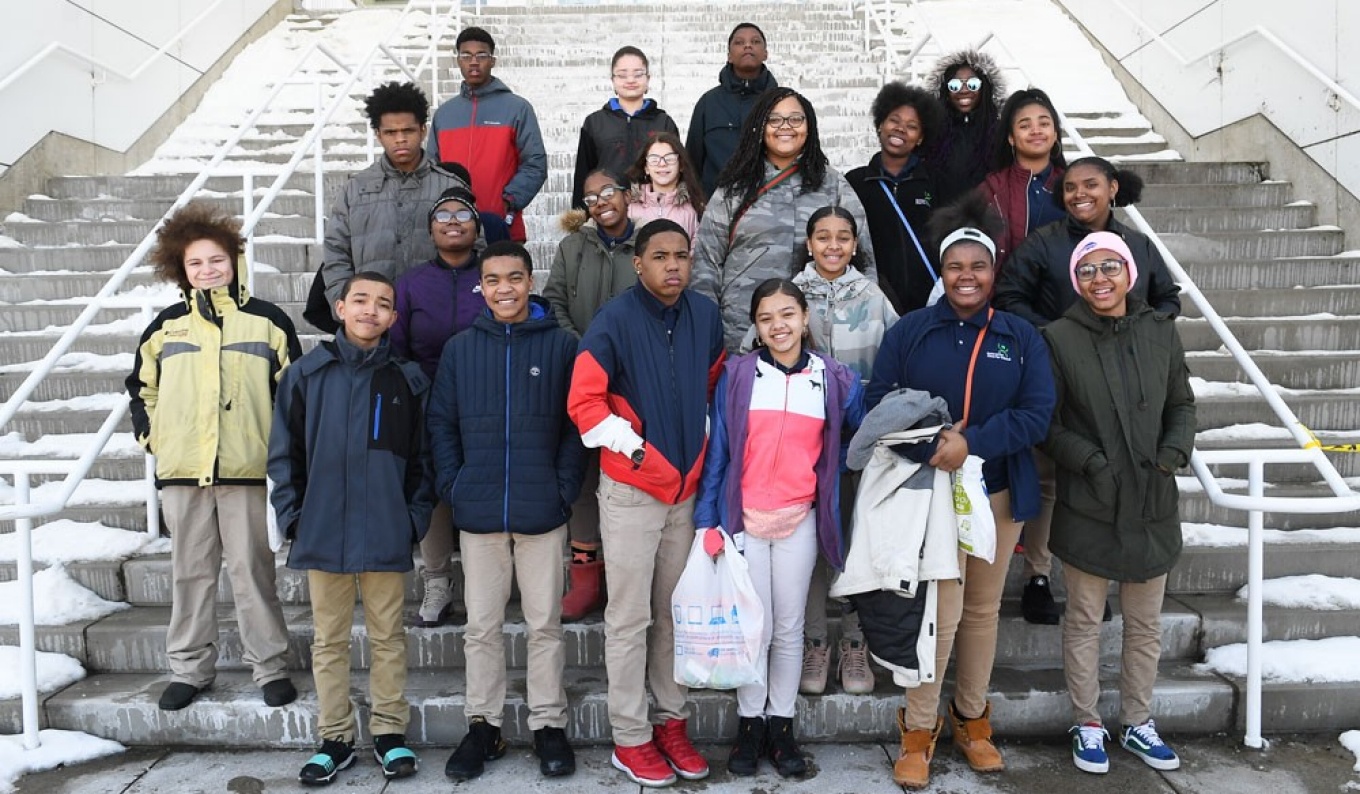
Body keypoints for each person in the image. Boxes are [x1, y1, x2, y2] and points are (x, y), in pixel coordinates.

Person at [865, 195, 1056, 790]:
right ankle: (918, 729)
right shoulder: (911, 331)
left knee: (980, 613)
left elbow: (1038, 413)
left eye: (979, 266)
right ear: (941, 271)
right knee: (939, 618)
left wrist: (971, 443)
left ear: (994, 270)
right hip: (928, 494)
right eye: (955, 266)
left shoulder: (1019, 335)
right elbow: (879, 404)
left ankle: (972, 720)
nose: (967, 276)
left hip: (996, 494)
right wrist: (930, 449)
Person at [566, 219, 725, 788]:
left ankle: (670, 721)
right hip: (634, 491)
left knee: (674, 615)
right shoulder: (614, 319)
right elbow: (584, 403)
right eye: (660, 256)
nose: (673, 266)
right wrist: (636, 450)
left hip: (686, 491)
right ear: (639, 263)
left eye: (681, 255)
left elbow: (712, 383)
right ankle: (630, 736)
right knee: (630, 617)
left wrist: (701, 450)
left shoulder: (705, 316)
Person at [993, 156, 1182, 624]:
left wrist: (1141, 336)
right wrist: (1057, 334)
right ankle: (1039, 574)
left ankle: (1108, 568)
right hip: (1059, 373)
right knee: (1053, 477)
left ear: (1112, 187)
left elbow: (1167, 298)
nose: (1080, 194)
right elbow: (1009, 294)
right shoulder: (1045, 243)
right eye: (1071, 186)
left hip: (1126, 380)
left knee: (1116, 474)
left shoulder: (1137, 244)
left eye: (1091, 184)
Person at [126, 202, 298, 714]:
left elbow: (292, 396)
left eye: (216, 260)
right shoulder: (166, 327)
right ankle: (189, 668)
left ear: (234, 261)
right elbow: (141, 389)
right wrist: (157, 441)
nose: (208, 271)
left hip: (246, 470)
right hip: (182, 474)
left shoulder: (268, 322)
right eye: (196, 263)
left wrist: (278, 454)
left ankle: (269, 667)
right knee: (190, 572)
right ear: (182, 269)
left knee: (252, 571)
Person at [695, 278, 865, 779]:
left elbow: (863, 428)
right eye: (767, 317)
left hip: (799, 521)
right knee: (755, 627)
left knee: (789, 629)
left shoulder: (831, 377)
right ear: (756, 326)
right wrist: (709, 521)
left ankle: (781, 725)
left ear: (805, 316)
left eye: (787, 314)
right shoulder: (738, 375)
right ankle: (750, 725)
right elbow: (719, 454)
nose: (779, 325)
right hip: (745, 521)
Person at [269, 271, 434, 786]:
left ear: (393, 317)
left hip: (386, 530)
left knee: (388, 636)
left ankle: (389, 732)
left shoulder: (407, 379)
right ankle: (334, 737)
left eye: (383, 304)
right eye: (360, 300)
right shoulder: (306, 374)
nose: (370, 310)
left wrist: (412, 519)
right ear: (339, 308)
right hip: (323, 531)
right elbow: (284, 455)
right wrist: (294, 515)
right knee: (329, 639)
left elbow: (422, 462)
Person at [428, 242, 582, 781]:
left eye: (514, 278)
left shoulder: (563, 346)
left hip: (543, 510)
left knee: (544, 624)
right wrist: (456, 485)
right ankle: (484, 726)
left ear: (530, 279)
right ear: (482, 287)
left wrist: (563, 489)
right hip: (480, 511)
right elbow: (441, 424)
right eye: (492, 280)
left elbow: (574, 428)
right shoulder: (461, 349)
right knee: (482, 627)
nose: (504, 289)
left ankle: (547, 724)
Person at [1043, 231, 1195, 776]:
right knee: (1084, 617)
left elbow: (1182, 401)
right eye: (1087, 270)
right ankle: (1087, 722)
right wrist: (1091, 462)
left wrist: (1171, 454)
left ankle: (1137, 720)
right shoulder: (1058, 338)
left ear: (1130, 274)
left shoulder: (1160, 331)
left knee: (1145, 622)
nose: (1099, 279)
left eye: (1110, 267)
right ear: (1077, 280)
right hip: (1092, 499)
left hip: (1153, 496)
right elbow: (1049, 423)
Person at [790, 206, 897, 697]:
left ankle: (855, 642)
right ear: (808, 243)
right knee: (810, 548)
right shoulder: (790, 296)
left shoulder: (873, 299)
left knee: (854, 544)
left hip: (857, 446)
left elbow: (894, 365)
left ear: (856, 245)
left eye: (843, 238)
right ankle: (816, 641)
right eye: (822, 236)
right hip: (802, 448)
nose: (833, 246)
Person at [692, 87, 876, 353]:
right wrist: (707, 329)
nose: (785, 127)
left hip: (818, 334)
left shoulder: (834, 186)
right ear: (760, 126)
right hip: (742, 331)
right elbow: (706, 264)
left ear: (809, 126)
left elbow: (864, 259)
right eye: (774, 119)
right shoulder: (735, 188)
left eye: (795, 119)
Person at [543, 168, 640, 620]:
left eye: (607, 192)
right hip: (580, 373)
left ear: (626, 194)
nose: (600, 202)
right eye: (590, 197)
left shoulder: (645, 244)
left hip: (630, 378)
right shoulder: (573, 246)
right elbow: (554, 299)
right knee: (583, 476)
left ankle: (623, 576)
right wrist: (581, 349)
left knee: (623, 472)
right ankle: (584, 576)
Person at [388, 187, 484, 627]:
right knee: (432, 488)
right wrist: (419, 390)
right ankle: (438, 583)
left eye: (462, 212)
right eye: (442, 213)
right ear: (430, 228)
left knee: (482, 484)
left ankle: (485, 585)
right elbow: (395, 348)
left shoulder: (494, 275)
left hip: (486, 399)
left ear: (476, 226)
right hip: (427, 402)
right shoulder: (410, 284)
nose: (452, 220)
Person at [318, 82, 472, 316]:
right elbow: (336, 253)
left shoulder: (450, 187)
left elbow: (475, 252)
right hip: (369, 322)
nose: (400, 139)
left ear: (422, 130)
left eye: (408, 131)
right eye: (391, 132)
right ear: (378, 134)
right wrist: (348, 308)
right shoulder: (355, 190)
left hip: (436, 319)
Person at [428, 26, 547, 242]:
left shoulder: (518, 108)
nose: (474, 61)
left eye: (481, 55)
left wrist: (509, 201)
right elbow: (431, 170)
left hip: (503, 227)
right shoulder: (444, 115)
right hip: (453, 232)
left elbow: (535, 162)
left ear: (492, 60)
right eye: (466, 55)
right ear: (458, 61)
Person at [846, 81, 945, 314]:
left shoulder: (936, 181)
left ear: (921, 138)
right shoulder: (855, 181)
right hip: (872, 301)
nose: (901, 129)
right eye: (894, 120)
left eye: (912, 126)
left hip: (929, 301)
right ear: (880, 125)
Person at [572, 46, 680, 210]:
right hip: (608, 208)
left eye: (638, 74)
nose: (630, 80)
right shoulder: (595, 123)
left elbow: (677, 170)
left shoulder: (663, 122)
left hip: (655, 209)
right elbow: (583, 174)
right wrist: (580, 215)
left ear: (648, 79)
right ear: (613, 81)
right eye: (622, 75)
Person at [978, 87, 1067, 272]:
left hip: (1066, 293)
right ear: (1011, 138)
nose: (1036, 131)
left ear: (1055, 134)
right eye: (1025, 126)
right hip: (1009, 294)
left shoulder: (1073, 186)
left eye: (1044, 124)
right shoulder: (992, 189)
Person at [686, 22, 778, 197]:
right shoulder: (708, 103)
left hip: (770, 204)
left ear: (765, 54)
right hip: (717, 206)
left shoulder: (781, 102)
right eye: (739, 42)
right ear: (729, 56)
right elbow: (692, 161)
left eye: (755, 41)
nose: (748, 45)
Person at [927, 50, 1005, 207]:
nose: (964, 90)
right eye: (954, 85)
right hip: (942, 222)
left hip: (989, 223)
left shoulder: (1001, 132)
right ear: (945, 91)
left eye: (972, 84)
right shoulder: (932, 133)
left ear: (985, 88)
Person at [626, 132, 705, 241]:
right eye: (654, 159)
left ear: (681, 165)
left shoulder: (695, 208)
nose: (662, 164)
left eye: (669, 158)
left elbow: (698, 251)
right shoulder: (630, 207)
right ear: (646, 168)